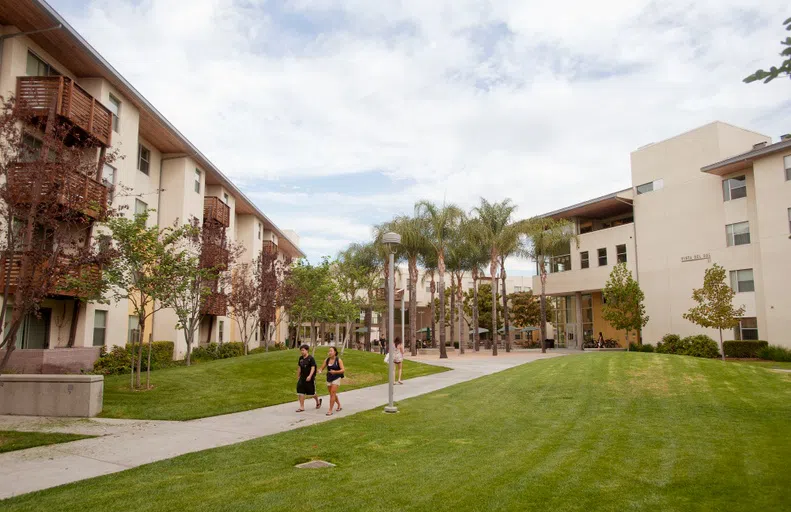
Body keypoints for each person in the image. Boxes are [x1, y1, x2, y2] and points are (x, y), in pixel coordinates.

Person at [318, 346, 345, 416]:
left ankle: (330, 410)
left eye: (331, 351)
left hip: (337, 377)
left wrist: (335, 372)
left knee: (332, 393)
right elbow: (322, 368)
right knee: (332, 393)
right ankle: (339, 405)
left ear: (335, 352)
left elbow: (343, 370)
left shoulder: (338, 360)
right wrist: (320, 370)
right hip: (329, 377)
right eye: (329, 351)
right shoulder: (327, 360)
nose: (329, 352)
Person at [295, 344, 322, 412]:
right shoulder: (300, 358)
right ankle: (302, 407)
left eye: (303, 350)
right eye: (301, 350)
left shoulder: (311, 358)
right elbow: (299, 367)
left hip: (310, 378)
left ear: (307, 350)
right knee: (300, 391)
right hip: (302, 377)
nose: (302, 352)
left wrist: (310, 376)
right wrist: (298, 376)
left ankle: (318, 401)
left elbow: (313, 368)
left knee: (312, 393)